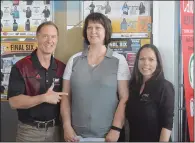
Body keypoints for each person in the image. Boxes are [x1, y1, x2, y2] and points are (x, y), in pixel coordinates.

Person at [61, 12, 130, 142]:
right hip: (76, 136)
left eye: (98, 27)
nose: (93, 31)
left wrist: (116, 129)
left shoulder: (119, 60)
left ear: (106, 31)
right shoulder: (74, 60)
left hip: (108, 136)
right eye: (89, 28)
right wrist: (66, 126)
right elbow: (65, 96)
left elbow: (124, 98)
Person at [7, 21, 67, 142]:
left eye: (53, 36)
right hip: (29, 132)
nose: (50, 40)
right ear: (37, 37)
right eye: (45, 36)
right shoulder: (21, 66)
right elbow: (14, 102)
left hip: (56, 131)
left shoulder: (62, 67)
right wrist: (43, 98)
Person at [126, 44, 175, 142]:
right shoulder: (132, 86)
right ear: (137, 62)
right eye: (142, 59)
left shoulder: (165, 87)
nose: (146, 63)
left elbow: (167, 125)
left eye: (151, 59)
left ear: (158, 63)